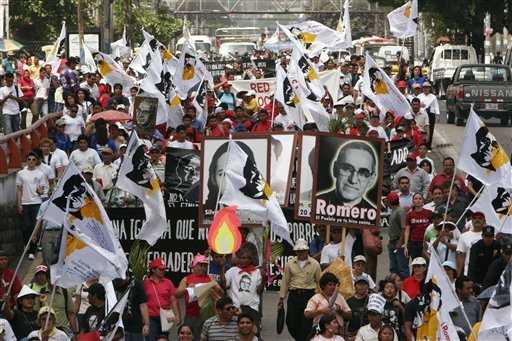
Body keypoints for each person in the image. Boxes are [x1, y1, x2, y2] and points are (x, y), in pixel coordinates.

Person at [316, 141, 378, 214]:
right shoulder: (314, 205)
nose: (353, 180)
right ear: (335, 169)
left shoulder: (374, 217)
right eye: (347, 169)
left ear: (372, 179)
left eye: (363, 173)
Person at [278, 238, 321, 341]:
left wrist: (320, 298)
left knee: (306, 324)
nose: (301, 252)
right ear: (296, 251)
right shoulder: (290, 264)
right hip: (294, 295)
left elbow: (319, 282)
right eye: (299, 250)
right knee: (291, 322)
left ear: (307, 250)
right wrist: (281, 298)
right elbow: (285, 281)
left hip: (309, 296)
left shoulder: (315, 264)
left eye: (303, 250)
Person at [221, 243, 263, 329]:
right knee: (235, 332)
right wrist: (221, 268)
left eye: (245, 258)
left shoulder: (257, 272)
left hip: (252, 308)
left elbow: (259, 292)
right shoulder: (233, 271)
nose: (242, 260)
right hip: (235, 308)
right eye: (240, 258)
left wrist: (264, 279)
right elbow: (224, 285)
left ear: (251, 259)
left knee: (253, 333)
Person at [175, 254, 216, 340]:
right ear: (195, 265)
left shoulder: (210, 279)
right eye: (201, 265)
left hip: (206, 315)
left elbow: (219, 293)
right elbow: (177, 294)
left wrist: (214, 290)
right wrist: (187, 288)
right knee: (188, 338)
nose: (203, 268)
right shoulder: (187, 279)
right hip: (191, 315)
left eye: (205, 265)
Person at [16, 151, 47, 260]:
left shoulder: (40, 174)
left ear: (37, 161)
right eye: (29, 159)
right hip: (25, 203)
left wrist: (40, 191)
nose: (31, 162)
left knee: (34, 227)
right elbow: (19, 190)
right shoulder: (21, 174)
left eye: (33, 160)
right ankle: (28, 244)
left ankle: (32, 250)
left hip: (36, 203)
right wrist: (19, 204)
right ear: (26, 161)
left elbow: (42, 190)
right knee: (25, 227)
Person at [144, 258, 181, 340]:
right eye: (160, 269)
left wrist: (177, 315)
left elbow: (173, 300)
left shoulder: (168, 282)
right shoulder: (146, 283)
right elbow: (142, 303)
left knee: (164, 339)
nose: (163, 271)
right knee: (151, 339)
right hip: (151, 317)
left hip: (165, 317)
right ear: (153, 270)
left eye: (164, 269)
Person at [386, 192, 410, 278]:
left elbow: (404, 228)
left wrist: (400, 242)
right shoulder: (394, 211)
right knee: (393, 267)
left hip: (398, 242)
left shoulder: (400, 211)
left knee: (402, 267)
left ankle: (405, 286)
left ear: (390, 201)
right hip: (392, 242)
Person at [456, 211, 485, 276]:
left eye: (480, 218)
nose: (477, 220)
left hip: (485, 274)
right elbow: (460, 256)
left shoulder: (489, 236)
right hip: (468, 273)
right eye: (475, 218)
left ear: (484, 221)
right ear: (471, 221)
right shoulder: (463, 236)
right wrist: (458, 274)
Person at [404, 193, 432, 259]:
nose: (418, 200)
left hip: (426, 242)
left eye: (420, 198)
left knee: (427, 264)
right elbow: (407, 230)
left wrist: (432, 239)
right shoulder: (409, 214)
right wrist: (405, 245)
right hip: (414, 243)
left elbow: (433, 227)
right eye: (416, 199)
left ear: (423, 201)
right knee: (416, 264)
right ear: (413, 201)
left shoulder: (429, 213)